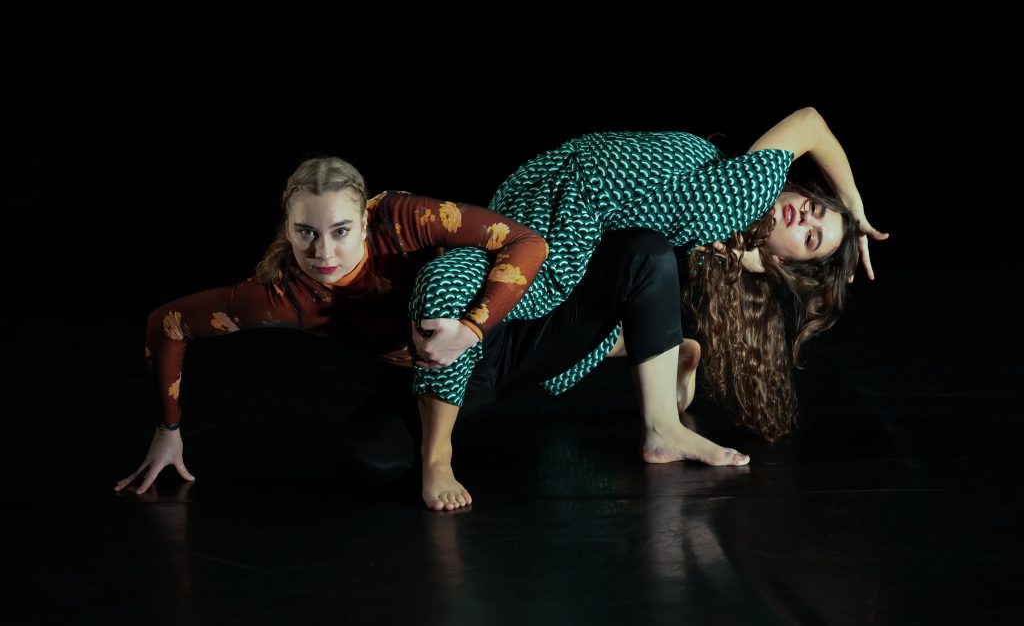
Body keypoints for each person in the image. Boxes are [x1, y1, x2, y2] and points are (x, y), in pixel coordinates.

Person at [409, 106, 888, 510]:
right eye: (817, 208)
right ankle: (660, 359)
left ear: (782, 261)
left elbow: (806, 128)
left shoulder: (730, 202)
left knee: (644, 255)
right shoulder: (738, 183)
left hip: (527, 323)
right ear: (802, 191)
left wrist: (835, 217)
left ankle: (662, 419)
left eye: (812, 237)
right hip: (536, 272)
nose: (807, 216)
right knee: (378, 456)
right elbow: (809, 122)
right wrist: (853, 204)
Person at [114, 156, 549, 495]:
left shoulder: (403, 218)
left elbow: (525, 241)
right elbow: (168, 324)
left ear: (364, 221)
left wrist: (473, 328)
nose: (324, 252)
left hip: (499, 335)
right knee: (369, 466)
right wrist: (167, 430)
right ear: (287, 228)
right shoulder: (280, 295)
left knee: (607, 299)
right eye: (306, 232)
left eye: (340, 231)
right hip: (420, 372)